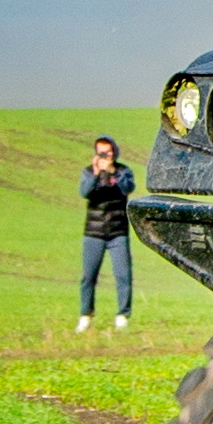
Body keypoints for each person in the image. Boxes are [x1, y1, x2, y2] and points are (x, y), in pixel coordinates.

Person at [78, 138, 135, 332]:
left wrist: (112, 172)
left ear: (115, 152)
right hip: (94, 233)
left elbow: (128, 188)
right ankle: (86, 315)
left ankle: (122, 316)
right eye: (101, 153)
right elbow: (84, 192)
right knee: (88, 276)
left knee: (123, 275)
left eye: (108, 153)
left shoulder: (123, 171)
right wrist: (96, 174)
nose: (105, 157)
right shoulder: (88, 171)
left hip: (118, 232)